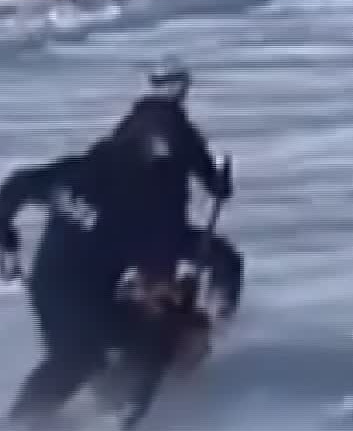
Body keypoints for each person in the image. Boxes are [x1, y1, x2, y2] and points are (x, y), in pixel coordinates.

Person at [0, 142, 188, 431]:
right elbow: (158, 280)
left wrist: (4, 241)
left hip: (65, 290)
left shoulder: (75, 175)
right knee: (85, 354)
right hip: (69, 294)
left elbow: (15, 187)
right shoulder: (137, 214)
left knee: (95, 351)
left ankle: (113, 403)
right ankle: (26, 426)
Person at [102, 57, 245, 319]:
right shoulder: (180, 129)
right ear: (180, 88)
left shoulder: (126, 127)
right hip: (164, 230)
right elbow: (215, 186)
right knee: (226, 261)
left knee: (145, 278)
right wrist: (222, 180)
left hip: (117, 231)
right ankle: (217, 319)